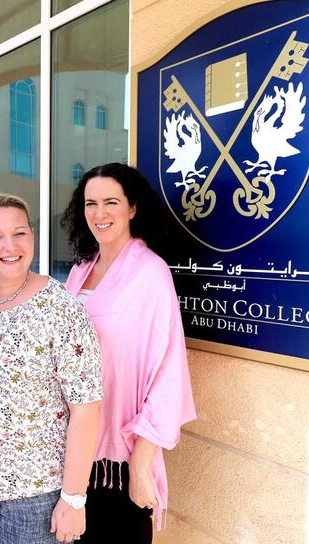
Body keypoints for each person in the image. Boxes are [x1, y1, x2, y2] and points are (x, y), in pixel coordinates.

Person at [0, 194, 103, 544]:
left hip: (34, 490)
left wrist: (74, 498)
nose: (9, 246)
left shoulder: (61, 308)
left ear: (32, 238)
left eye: (19, 233)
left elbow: (86, 408)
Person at [61, 163, 197, 543]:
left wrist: (141, 464)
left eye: (111, 202)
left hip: (117, 466)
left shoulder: (151, 274)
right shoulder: (80, 270)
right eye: (90, 203)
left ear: (132, 208)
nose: (99, 214)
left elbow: (169, 373)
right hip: (72, 454)